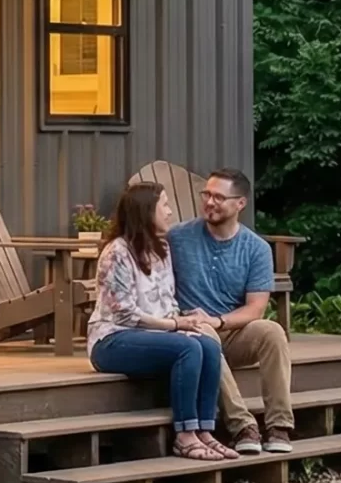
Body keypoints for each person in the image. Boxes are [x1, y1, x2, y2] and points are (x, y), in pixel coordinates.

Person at [86, 181, 233, 462]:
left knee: (209, 345)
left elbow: (168, 303)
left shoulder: (161, 250)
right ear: (146, 211)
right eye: (164, 205)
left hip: (155, 336)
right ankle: (185, 435)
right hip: (112, 340)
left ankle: (204, 431)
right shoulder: (117, 253)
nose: (169, 212)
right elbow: (124, 314)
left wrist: (186, 320)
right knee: (187, 347)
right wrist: (176, 326)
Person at [169, 167, 295, 455]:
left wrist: (218, 320)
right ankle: (242, 426)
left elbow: (255, 309)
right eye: (206, 194)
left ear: (240, 203)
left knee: (272, 331)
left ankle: (279, 425)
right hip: (192, 332)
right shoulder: (177, 237)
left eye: (218, 197)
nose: (209, 202)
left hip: (232, 330)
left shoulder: (256, 248)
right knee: (204, 333)